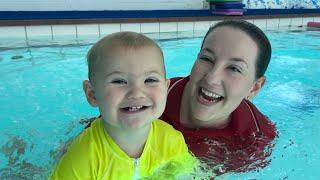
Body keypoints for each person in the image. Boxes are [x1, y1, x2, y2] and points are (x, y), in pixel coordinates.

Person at [50, 32, 196, 179]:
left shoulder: (171, 140)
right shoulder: (83, 157)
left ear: (165, 88)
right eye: (119, 81)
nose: (136, 93)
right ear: (92, 95)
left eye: (150, 80)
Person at [160, 20, 277, 174]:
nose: (211, 79)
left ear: (254, 87)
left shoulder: (254, 141)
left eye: (234, 68)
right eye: (206, 59)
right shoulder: (154, 98)